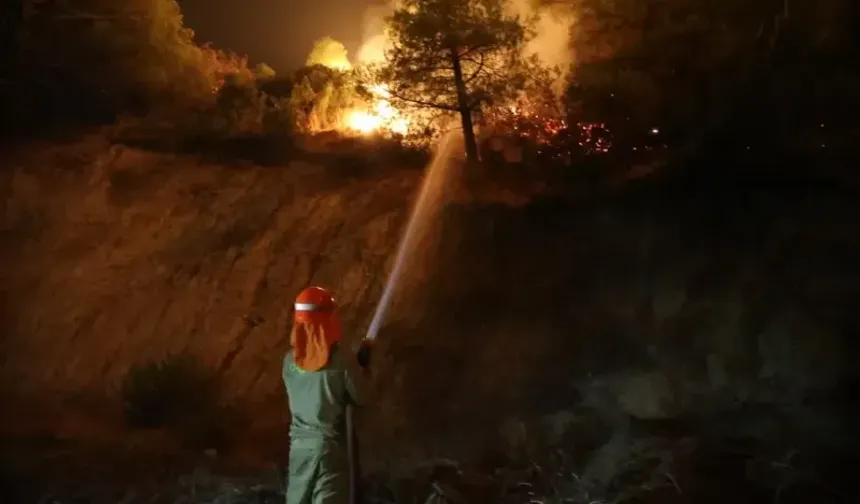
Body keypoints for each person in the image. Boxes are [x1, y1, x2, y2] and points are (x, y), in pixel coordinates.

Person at [283, 286, 373, 504]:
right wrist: (364, 368)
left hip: (299, 451)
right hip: (328, 452)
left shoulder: (288, 362)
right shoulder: (342, 362)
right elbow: (364, 397)